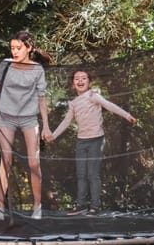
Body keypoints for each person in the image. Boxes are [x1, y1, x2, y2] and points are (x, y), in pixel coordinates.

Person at [0, 30, 53, 220]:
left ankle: (37, 206)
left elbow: (42, 99)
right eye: (12, 48)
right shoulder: (6, 65)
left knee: (34, 162)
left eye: (18, 48)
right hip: (7, 117)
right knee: (6, 161)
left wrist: (46, 126)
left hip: (28, 118)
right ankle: (0, 208)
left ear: (29, 48)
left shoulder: (37, 70)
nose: (15, 51)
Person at [47, 70, 137, 215]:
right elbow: (66, 121)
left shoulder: (93, 95)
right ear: (73, 84)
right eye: (77, 79)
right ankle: (81, 204)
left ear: (89, 82)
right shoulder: (74, 103)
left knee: (92, 174)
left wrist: (127, 115)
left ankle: (95, 206)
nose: (80, 81)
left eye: (84, 78)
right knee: (81, 174)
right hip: (81, 142)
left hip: (96, 140)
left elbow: (109, 105)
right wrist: (53, 135)